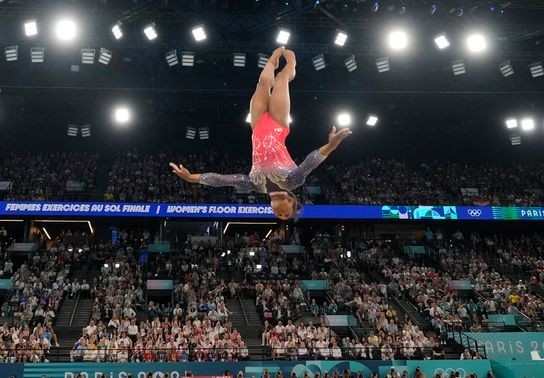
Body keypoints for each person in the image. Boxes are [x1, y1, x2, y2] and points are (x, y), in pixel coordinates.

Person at [170, 47, 352, 220]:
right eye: (286, 214)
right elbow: (310, 162)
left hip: (257, 125)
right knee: (281, 79)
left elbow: (222, 180)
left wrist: (190, 178)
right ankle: (291, 66)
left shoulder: (256, 186)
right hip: (279, 125)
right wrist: (332, 145)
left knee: (263, 82)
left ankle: (272, 61)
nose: (280, 214)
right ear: (292, 202)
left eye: (278, 216)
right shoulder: (292, 182)